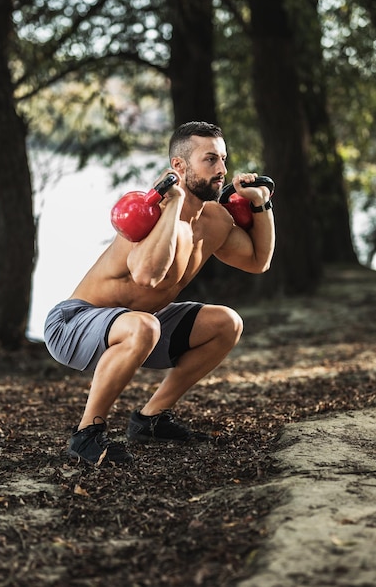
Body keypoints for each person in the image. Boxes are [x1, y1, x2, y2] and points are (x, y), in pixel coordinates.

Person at [44, 121, 275, 465]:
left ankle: (151, 419)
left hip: (140, 325)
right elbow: (147, 275)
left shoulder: (215, 221)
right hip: (73, 323)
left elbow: (259, 261)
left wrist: (260, 204)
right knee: (144, 327)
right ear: (179, 168)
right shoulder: (153, 214)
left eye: (223, 159)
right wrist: (174, 203)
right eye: (210, 159)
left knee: (227, 322)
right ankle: (86, 434)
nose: (222, 170)